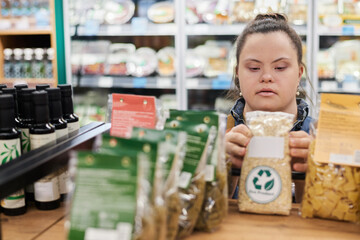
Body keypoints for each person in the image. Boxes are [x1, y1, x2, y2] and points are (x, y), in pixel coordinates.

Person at [225, 13, 313, 198]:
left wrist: (310, 174)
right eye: (254, 68)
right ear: (238, 73)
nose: (266, 76)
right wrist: (223, 169)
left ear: (299, 74)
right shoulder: (216, 137)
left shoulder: (320, 139)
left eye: (280, 67)